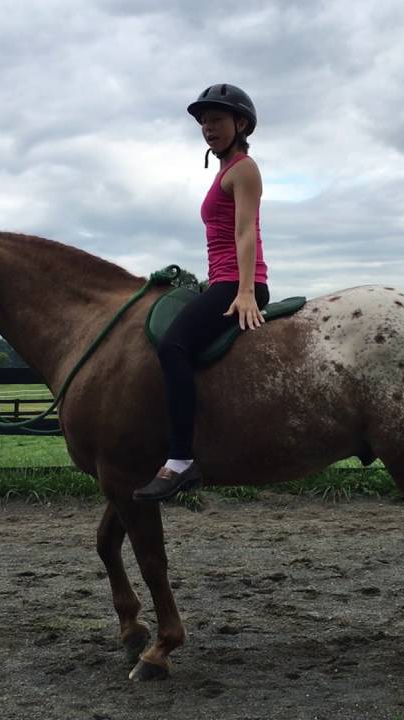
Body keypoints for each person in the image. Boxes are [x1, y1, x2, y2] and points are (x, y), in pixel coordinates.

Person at [134, 83, 270, 502]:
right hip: (224, 280)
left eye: (217, 119)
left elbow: (246, 231)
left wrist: (245, 291)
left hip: (240, 284)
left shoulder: (244, 168)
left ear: (240, 123)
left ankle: (180, 459)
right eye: (203, 121)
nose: (208, 128)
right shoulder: (224, 171)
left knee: (173, 346)